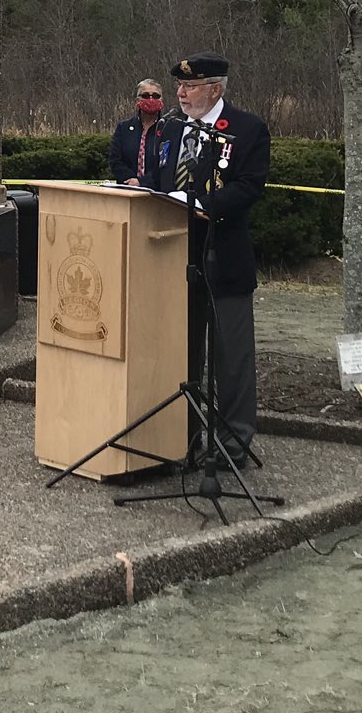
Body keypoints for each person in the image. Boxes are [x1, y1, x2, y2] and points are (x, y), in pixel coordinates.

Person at [142, 52, 269, 463]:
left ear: (215, 89)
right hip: (174, 261)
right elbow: (156, 182)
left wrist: (204, 205)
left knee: (231, 359)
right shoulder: (169, 129)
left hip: (224, 258)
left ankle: (232, 443)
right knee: (181, 353)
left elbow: (249, 186)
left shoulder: (246, 129)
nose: (180, 93)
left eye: (190, 86)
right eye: (179, 86)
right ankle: (183, 438)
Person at [108, 78, 169, 185]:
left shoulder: (168, 128)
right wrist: (131, 181)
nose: (150, 99)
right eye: (145, 96)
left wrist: (143, 182)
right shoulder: (124, 128)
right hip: (127, 190)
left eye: (155, 96)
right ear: (137, 100)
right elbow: (115, 160)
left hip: (158, 193)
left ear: (161, 100)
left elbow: (167, 164)